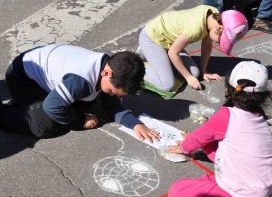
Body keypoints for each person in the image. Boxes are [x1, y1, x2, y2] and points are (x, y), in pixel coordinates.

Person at [168, 61, 272, 197]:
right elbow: (204, 138)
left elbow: (199, 137)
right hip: (268, 186)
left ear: (227, 89)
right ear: (263, 97)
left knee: (177, 191)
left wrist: (184, 147)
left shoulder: (227, 115)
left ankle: (221, 186)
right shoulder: (258, 115)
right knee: (212, 144)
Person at [0, 44, 160, 141]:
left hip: (40, 72)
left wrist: (135, 124)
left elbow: (112, 105)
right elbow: (52, 107)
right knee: (46, 125)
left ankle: (26, 106)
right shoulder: (81, 81)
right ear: (107, 73)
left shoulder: (110, 67)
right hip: (21, 79)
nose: (113, 95)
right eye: (112, 91)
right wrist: (80, 120)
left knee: (88, 103)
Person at [138, 5, 248, 92]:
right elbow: (173, 53)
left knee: (195, 73)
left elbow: (207, 45)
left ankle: (152, 55)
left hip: (169, 42)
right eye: (220, 40)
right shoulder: (194, 29)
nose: (218, 43)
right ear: (220, 28)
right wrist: (188, 77)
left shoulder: (213, 14)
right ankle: (136, 64)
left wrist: (203, 71)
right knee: (167, 84)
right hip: (152, 38)